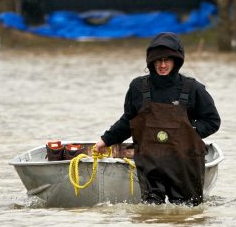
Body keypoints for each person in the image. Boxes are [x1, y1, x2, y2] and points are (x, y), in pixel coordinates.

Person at [94, 32, 220, 205]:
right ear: (151, 61)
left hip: (184, 165)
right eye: (158, 60)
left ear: (176, 61)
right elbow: (128, 121)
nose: (162, 65)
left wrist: (190, 132)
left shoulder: (193, 88)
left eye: (167, 60)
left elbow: (212, 121)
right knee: (151, 214)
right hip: (150, 166)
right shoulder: (138, 87)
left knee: (188, 213)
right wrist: (105, 140)